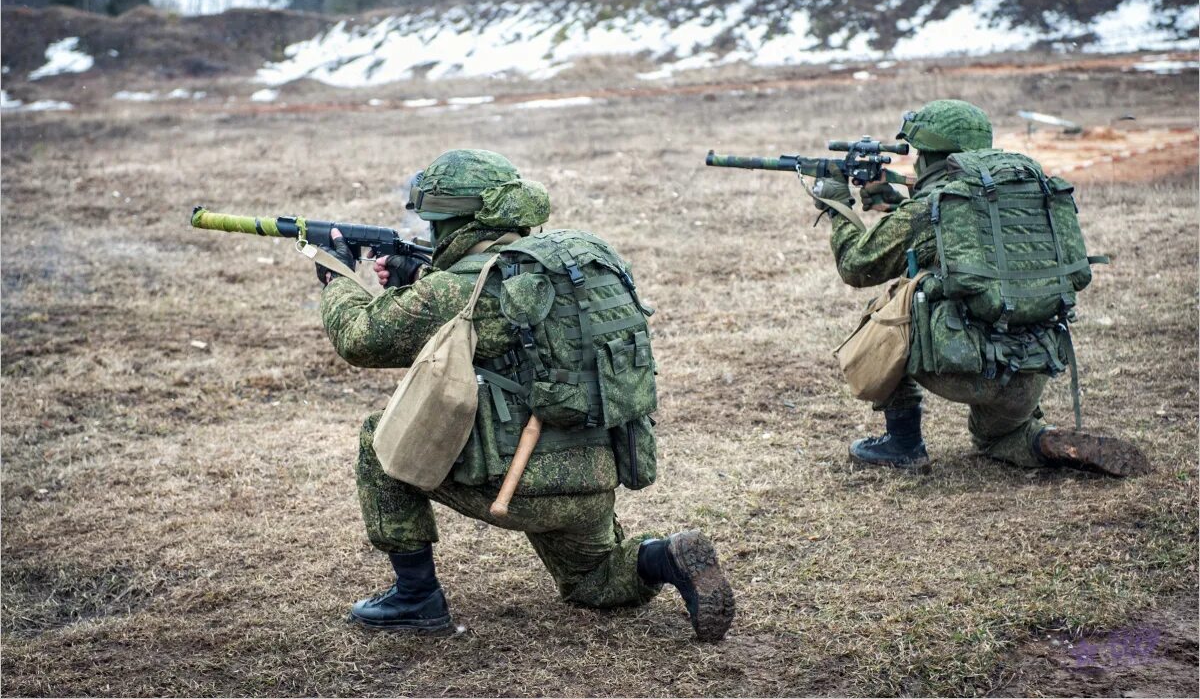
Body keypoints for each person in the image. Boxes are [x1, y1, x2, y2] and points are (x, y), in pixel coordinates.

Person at [315, 149, 735, 641]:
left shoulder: (461, 288)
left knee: (377, 439)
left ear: (454, 223)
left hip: (516, 483)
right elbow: (491, 319)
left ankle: (415, 598)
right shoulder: (563, 263)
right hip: (594, 475)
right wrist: (420, 279)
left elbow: (361, 338)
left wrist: (336, 277)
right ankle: (666, 557)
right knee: (594, 580)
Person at [809, 100, 1149, 477]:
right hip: (1031, 367)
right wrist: (898, 205)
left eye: (919, 153)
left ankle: (902, 442)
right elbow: (963, 237)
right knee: (997, 439)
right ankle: (1040, 439)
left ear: (931, 156)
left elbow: (857, 265)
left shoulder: (932, 207)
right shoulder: (1019, 190)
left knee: (895, 302)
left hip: (963, 367)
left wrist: (835, 203)